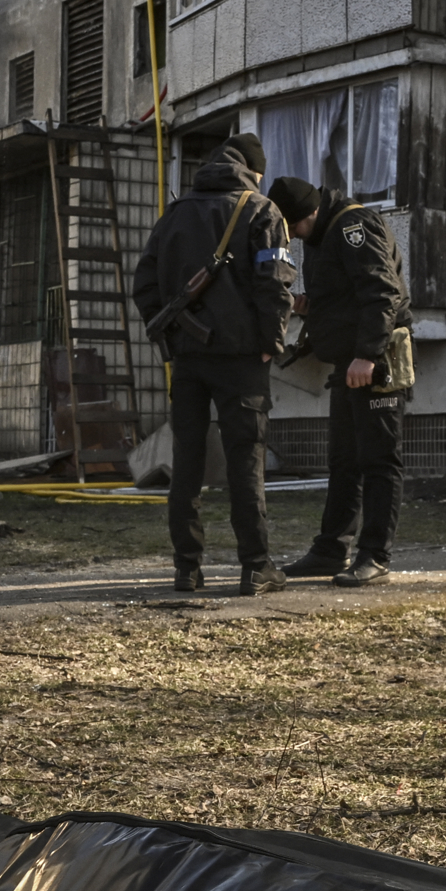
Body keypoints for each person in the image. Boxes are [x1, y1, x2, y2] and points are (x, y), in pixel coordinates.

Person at [132, 140, 291, 594]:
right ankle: (256, 566)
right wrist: (270, 342)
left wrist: (174, 333)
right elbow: (275, 284)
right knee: (246, 460)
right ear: (253, 172)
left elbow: (144, 283)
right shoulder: (262, 211)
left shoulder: (174, 214)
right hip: (242, 360)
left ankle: (187, 568)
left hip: (189, 360)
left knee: (187, 462)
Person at [265, 175, 413, 587]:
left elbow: (383, 293)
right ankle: (330, 549)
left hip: (373, 362)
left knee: (379, 460)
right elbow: (348, 294)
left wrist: (367, 354)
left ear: (309, 213)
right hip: (348, 362)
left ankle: (374, 555)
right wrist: (312, 307)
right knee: (344, 461)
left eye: (294, 227)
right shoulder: (323, 235)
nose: (293, 237)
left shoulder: (352, 227)